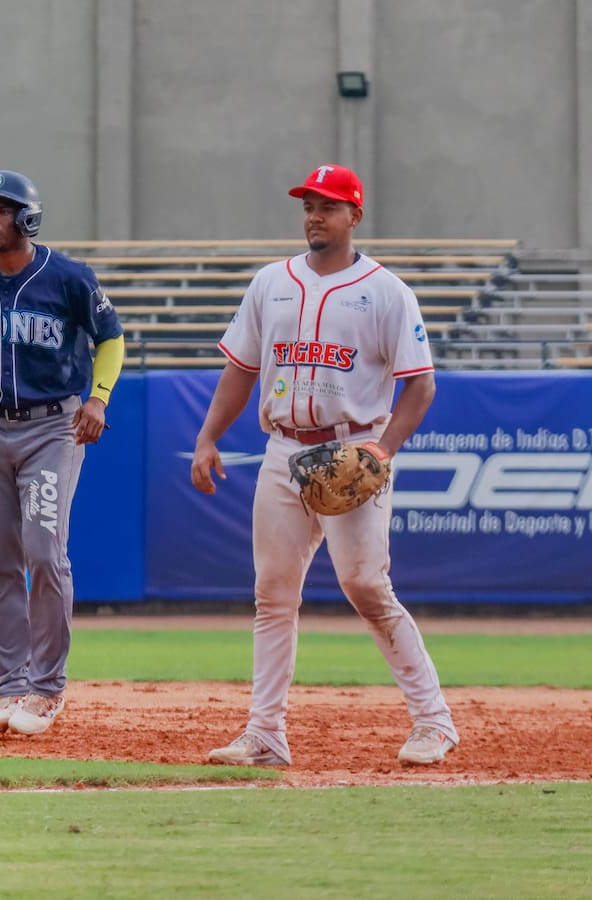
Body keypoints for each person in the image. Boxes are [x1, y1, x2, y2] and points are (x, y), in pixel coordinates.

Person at [189, 163, 459, 767]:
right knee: (273, 592)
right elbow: (242, 369)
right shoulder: (271, 282)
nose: (315, 214)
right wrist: (209, 436)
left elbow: (420, 386)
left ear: (354, 216)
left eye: (329, 205)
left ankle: (433, 721)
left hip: (351, 447)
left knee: (365, 584)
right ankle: (265, 733)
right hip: (284, 448)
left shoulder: (386, 291)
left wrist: (382, 450)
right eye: (309, 204)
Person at [0, 169, 124, 736]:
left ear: (27, 216)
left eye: (2, 209)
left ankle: (46, 689)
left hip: (53, 428)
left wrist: (99, 398)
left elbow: (110, 338)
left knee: (44, 551)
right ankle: (11, 683)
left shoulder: (68, 277)